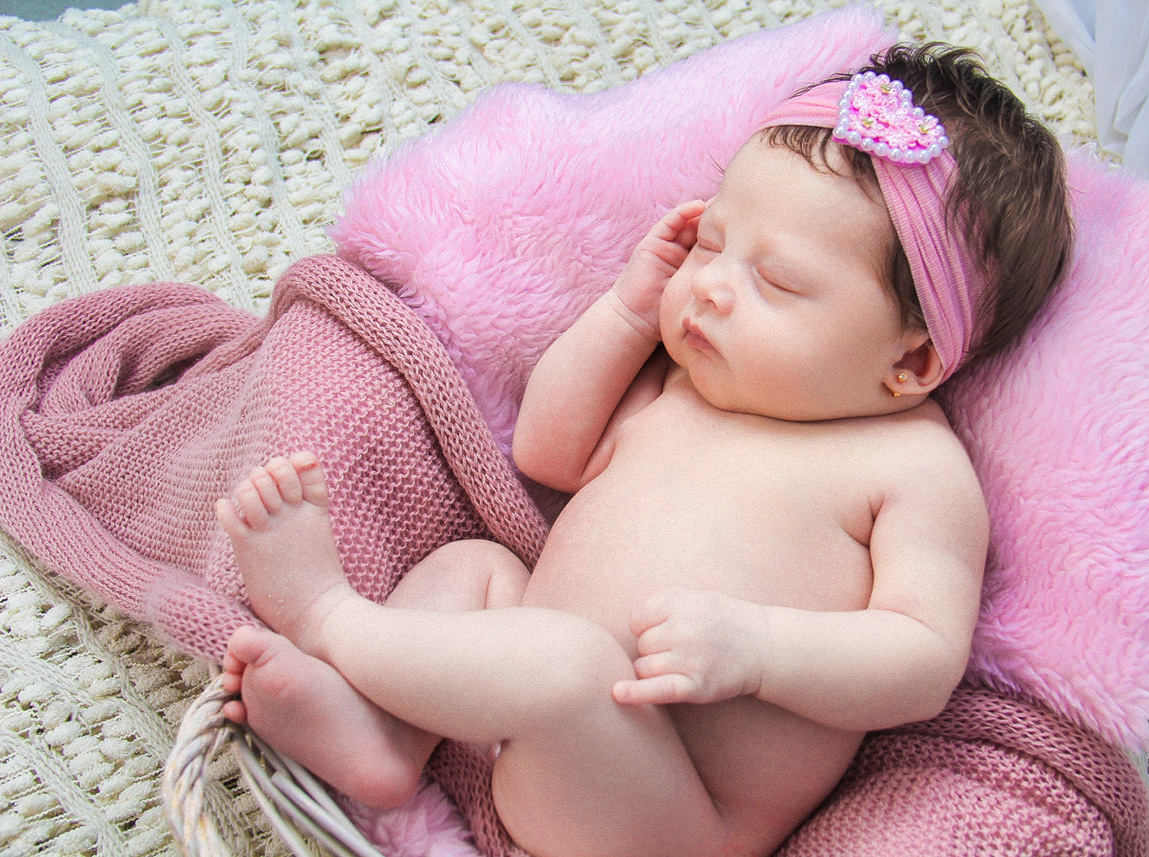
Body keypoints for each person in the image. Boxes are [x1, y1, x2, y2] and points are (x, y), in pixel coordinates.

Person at [216, 43, 1073, 857]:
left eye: (776, 280)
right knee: (475, 567)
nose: (710, 285)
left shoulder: (912, 467)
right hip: (535, 710)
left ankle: (327, 614)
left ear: (911, 361)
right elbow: (548, 452)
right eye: (711, 242)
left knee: (568, 660)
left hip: (666, 809)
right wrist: (628, 313)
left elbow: (922, 658)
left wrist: (759, 649)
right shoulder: (683, 384)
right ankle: (381, 735)